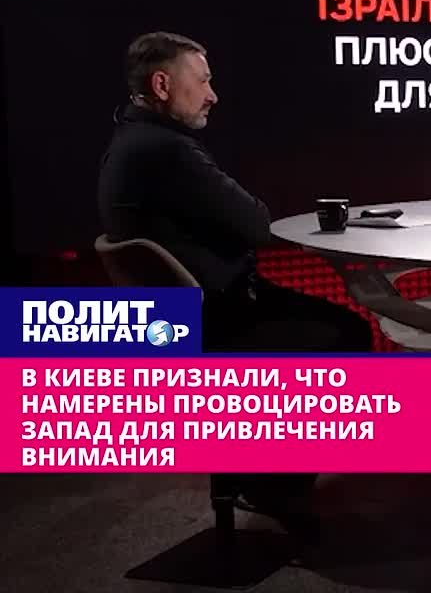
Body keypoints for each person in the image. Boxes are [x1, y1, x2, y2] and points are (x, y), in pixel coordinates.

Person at [97, 31, 373, 520]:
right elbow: (257, 223)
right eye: (203, 81)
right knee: (346, 332)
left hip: (189, 316)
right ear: (162, 85)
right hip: (218, 318)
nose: (213, 95)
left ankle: (266, 474)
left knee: (330, 323)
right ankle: (274, 484)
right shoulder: (168, 150)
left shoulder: (130, 141)